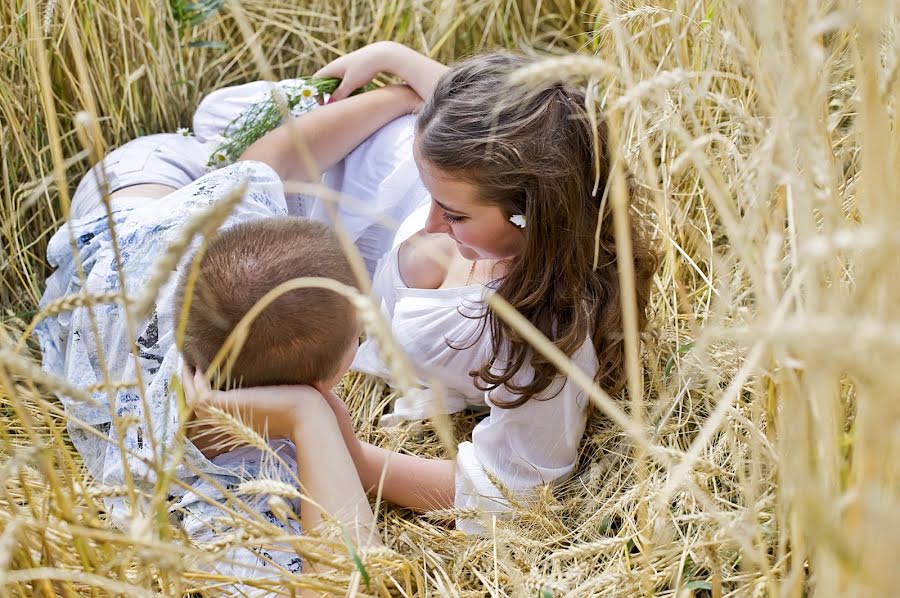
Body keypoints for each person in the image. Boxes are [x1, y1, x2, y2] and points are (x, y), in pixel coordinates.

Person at [198, 43, 659, 534]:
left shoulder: (542, 332)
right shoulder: (478, 161)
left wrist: (350, 454)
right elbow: (259, 170)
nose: (431, 222)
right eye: (432, 195)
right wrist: (396, 71)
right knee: (217, 131)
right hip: (347, 151)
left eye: (455, 215)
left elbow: (509, 492)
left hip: (300, 227)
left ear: (535, 215)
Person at [36, 82, 422, 587]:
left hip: (132, 186)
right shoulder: (230, 484)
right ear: (330, 374)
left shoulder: (231, 252)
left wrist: (401, 97)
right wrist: (308, 419)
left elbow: (274, 155)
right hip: (132, 202)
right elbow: (346, 584)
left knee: (238, 134)